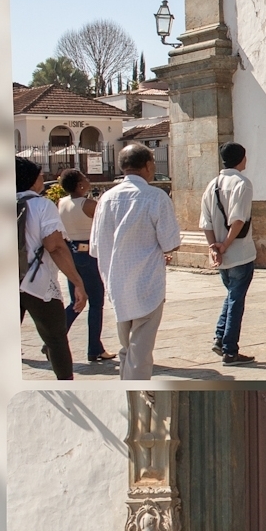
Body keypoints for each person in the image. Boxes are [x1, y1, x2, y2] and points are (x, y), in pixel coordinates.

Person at [90, 143, 181, 380]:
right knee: (140, 349)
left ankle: (126, 384)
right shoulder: (156, 197)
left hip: (116, 283)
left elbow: (96, 246)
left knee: (126, 346)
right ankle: (136, 390)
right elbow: (171, 241)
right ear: (149, 166)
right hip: (147, 283)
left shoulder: (106, 199)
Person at [16, 156, 87, 381]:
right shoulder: (41, 205)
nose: (42, 179)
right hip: (37, 282)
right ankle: (66, 385)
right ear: (29, 179)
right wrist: (77, 281)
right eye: (39, 176)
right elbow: (55, 246)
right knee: (55, 339)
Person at [200, 142, 257, 367]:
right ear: (241, 159)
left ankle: (220, 337)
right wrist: (224, 244)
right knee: (236, 300)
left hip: (222, 254)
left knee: (232, 295)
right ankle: (230, 350)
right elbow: (238, 219)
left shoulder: (212, 184)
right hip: (240, 251)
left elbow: (205, 221)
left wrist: (213, 246)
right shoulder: (242, 183)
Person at [57, 169, 115, 365]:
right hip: (88, 253)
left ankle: (54, 339)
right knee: (96, 302)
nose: (88, 180)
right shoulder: (89, 204)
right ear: (80, 185)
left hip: (71, 253)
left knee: (76, 301)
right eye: (85, 179)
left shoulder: (62, 203)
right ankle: (94, 348)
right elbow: (106, 225)